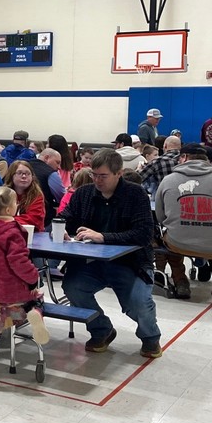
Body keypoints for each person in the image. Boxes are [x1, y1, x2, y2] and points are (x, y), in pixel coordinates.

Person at [61, 148, 162, 358]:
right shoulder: (84, 193)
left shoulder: (136, 194)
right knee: (72, 287)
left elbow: (143, 234)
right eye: (94, 175)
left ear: (119, 173)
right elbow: (66, 217)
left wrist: (104, 237)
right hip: (92, 263)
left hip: (131, 263)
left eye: (103, 176)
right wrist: (60, 226)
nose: (97, 180)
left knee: (138, 305)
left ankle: (150, 337)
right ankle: (102, 329)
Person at [0, 186, 49, 390]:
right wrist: (33, 279)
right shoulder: (11, 231)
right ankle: (35, 313)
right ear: (8, 210)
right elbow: (19, 261)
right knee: (38, 296)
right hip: (10, 292)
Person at [155, 143, 212, 307]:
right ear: (207, 161)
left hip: (177, 243)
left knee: (171, 247)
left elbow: (160, 217)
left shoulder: (168, 181)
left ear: (185, 158)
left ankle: (181, 281)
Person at [5, 160, 46, 231]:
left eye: (28, 174)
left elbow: (33, 219)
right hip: (6, 231)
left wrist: (8, 220)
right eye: (19, 173)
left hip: (33, 235)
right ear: (11, 175)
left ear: (32, 177)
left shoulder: (36, 195)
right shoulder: (3, 193)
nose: (24, 176)